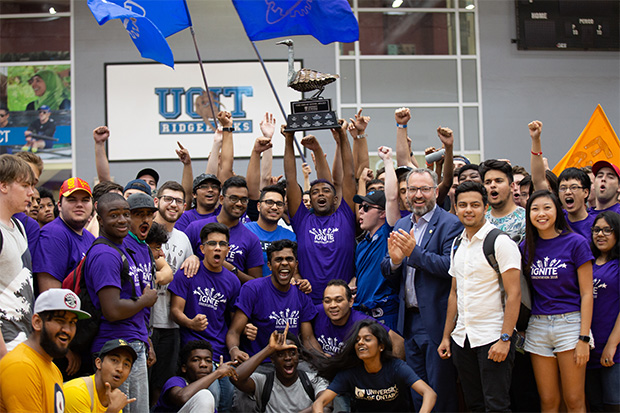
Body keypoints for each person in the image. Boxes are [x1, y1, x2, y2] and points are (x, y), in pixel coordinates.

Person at [380, 167, 462, 412]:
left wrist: (413, 253)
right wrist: (395, 261)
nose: (418, 195)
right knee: (417, 390)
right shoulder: (402, 223)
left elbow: (450, 266)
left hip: (437, 320)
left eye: (424, 189)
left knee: (440, 391)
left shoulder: (451, 224)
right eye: (412, 189)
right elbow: (389, 268)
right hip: (409, 321)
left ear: (436, 192)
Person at [437, 181, 522, 411]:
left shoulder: (500, 242)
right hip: (462, 338)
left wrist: (505, 339)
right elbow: (454, 293)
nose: (468, 210)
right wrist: (447, 336)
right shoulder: (457, 244)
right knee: (473, 405)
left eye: (475, 204)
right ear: (455, 208)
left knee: (497, 405)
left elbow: (514, 294)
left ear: (485, 207)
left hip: (493, 337)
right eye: (462, 205)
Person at [84, 193, 158, 413]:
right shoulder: (105, 254)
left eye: (126, 214)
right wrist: (145, 301)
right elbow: (112, 309)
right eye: (114, 215)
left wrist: (146, 339)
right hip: (115, 348)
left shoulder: (122, 248)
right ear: (100, 220)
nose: (122, 220)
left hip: (134, 341)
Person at [521, 189, 594, 412]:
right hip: (538, 326)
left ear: (557, 211)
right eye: (535, 209)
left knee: (574, 400)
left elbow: (587, 293)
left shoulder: (576, 242)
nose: (541, 214)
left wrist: (583, 338)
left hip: (570, 325)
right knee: (549, 401)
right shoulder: (525, 247)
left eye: (547, 208)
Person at [283, 121, 357, 305]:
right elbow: (291, 180)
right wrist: (289, 138)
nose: (320, 194)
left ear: (335, 199)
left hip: (343, 302)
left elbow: (349, 175)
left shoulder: (345, 216)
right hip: (309, 301)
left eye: (326, 190)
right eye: (315, 192)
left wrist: (343, 135)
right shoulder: (302, 219)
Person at [169, 222, 240, 412]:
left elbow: (233, 320)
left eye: (222, 244)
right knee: (212, 394)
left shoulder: (232, 281)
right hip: (195, 348)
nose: (217, 248)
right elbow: (175, 311)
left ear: (228, 249)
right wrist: (190, 323)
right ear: (202, 248)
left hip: (221, 350)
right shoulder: (188, 273)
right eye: (212, 243)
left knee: (229, 398)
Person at [312, 319, 437, 413]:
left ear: (381, 346)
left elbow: (429, 393)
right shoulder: (350, 372)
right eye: (357, 340)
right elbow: (320, 402)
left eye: (367, 339)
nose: (360, 342)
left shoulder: (397, 367)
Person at [227, 239, 319, 362]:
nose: (285, 263)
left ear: (296, 265)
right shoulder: (252, 289)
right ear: (269, 265)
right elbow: (234, 332)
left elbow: (308, 340)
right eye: (279, 259)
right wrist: (234, 350)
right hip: (259, 364)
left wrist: (325, 360)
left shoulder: (301, 293)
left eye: (289, 259)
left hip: (291, 364)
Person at [149, 181, 199, 406]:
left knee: (162, 386)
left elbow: (190, 270)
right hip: (145, 322)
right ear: (157, 201)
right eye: (168, 199)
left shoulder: (183, 239)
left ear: (185, 206)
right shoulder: (145, 231)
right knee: (143, 384)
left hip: (171, 324)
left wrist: (195, 257)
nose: (173, 204)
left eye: (178, 201)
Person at [0, 288, 90, 412]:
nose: (67, 330)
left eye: (72, 322)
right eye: (60, 320)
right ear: (37, 322)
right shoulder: (22, 365)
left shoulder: (53, 369)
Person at [184, 176, 263, 284]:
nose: (239, 203)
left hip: (233, 298)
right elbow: (180, 264)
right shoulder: (195, 228)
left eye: (243, 200)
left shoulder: (251, 239)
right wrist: (192, 257)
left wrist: (232, 269)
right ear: (221, 199)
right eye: (234, 198)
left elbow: (256, 282)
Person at [233, 326, 329, 413]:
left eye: (292, 353)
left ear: (298, 356)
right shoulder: (264, 382)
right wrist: (269, 349)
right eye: (280, 354)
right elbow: (236, 377)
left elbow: (326, 406)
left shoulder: (313, 380)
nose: (287, 358)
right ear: (272, 359)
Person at [0, 154, 35, 356]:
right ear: (3, 186)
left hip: (24, 339)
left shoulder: (20, 227)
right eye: (24, 186)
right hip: (6, 344)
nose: (31, 192)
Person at [34, 176, 95, 293]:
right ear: (59, 205)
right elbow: (50, 295)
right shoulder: (53, 235)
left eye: (85, 200)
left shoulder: (90, 237)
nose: (79, 205)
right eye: (72, 200)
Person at [315, 280, 405, 358]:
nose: (333, 305)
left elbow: (399, 343)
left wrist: (389, 372)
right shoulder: (317, 312)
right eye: (327, 301)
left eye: (339, 300)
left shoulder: (362, 321)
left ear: (350, 302)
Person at [351, 190, 399, 330]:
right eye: (360, 207)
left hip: (385, 315)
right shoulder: (361, 245)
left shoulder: (388, 234)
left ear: (383, 213)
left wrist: (389, 166)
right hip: (362, 314)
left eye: (366, 207)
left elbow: (392, 197)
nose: (360, 211)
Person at [586, 211, 620, 412]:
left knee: (613, 405)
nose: (601, 234)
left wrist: (612, 345)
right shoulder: (587, 263)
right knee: (595, 406)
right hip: (588, 348)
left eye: (608, 230)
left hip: (614, 350)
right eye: (597, 230)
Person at [154, 340, 238, 413]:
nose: (203, 364)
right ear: (184, 368)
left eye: (208, 361)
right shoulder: (176, 381)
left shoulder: (206, 400)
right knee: (204, 395)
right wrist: (217, 373)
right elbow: (182, 397)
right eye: (196, 360)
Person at [64, 339, 137, 413]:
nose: (120, 369)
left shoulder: (114, 400)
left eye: (126, 364)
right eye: (114, 360)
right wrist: (112, 411)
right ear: (98, 363)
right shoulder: (77, 392)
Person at [244, 185, 296, 277]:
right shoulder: (244, 231)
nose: (274, 207)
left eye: (279, 204)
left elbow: (295, 272)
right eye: (269, 202)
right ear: (259, 206)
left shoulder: (290, 236)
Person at [480, 159, 526, 243]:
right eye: (488, 182)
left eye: (498, 181)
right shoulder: (480, 221)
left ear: (512, 187)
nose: (492, 185)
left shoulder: (526, 219)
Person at [558, 167, 594, 239]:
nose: (568, 192)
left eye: (574, 187)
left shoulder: (596, 225)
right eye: (563, 188)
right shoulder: (556, 222)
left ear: (586, 192)